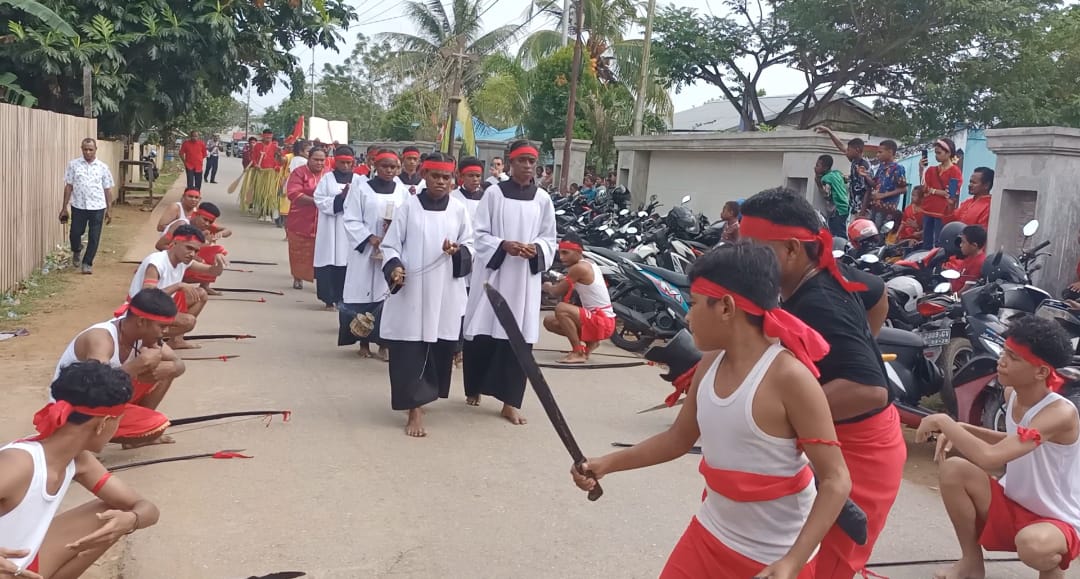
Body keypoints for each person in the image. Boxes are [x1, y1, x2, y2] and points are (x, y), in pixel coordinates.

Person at [571, 242, 850, 578]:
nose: (688, 316)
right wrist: (606, 464)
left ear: (727, 308)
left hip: (775, 556)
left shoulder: (789, 378)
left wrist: (792, 561)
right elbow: (678, 438)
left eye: (694, 304)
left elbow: (836, 479)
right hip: (710, 535)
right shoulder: (710, 363)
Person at [739, 187, 906, 578]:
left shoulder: (820, 302)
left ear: (794, 250)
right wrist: (864, 343)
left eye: (755, 249)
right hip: (831, 438)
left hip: (861, 451)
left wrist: (780, 416)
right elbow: (878, 293)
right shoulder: (823, 273)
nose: (745, 260)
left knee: (827, 568)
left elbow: (869, 389)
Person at [918, 315, 1080, 579]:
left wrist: (947, 422)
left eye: (1014, 358)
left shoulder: (1059, 414)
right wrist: (966, 429)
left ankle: (1052, 570)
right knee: (954, 469)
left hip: (1056, 521)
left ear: (1041, 372)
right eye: (1005, 352)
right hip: (1013, 502)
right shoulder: (1013, 393)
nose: (1001, 361)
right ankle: (971, 564)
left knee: (1033, 545)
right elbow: (1013, 443)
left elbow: (991, 458)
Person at [0, 362, 160, 578]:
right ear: (103, 423)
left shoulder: (78, 460)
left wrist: (131, 520)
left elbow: (146, 508)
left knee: (112, 516)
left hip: (20, 559)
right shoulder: (18, 463)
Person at [379, 152, 474, 437]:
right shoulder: (409, 208)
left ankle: (425, 396)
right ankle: (414, 409)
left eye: (446, 177)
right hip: (413, 292)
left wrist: (458, 251)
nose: (441, 182)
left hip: (444, 291)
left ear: (452, 180)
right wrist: (395, 267)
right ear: (424, 175)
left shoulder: (459, 210)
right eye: (435, 176)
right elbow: (391, 245)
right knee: (410, 349)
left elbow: (470, 245)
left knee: (437, 349)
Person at [462, 140, 557, 423]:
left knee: (518, 337)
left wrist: (536, 249)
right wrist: (503, 245)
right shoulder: (493, 195)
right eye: (522, 160)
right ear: (510, 162)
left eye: (532, 161)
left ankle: (509, 402)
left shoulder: (543, 199)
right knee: (483, 330)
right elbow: (478, 233)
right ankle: (475, 388)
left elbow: (549, 237)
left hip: (523, 279)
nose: (528, 166)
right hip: (495, 272)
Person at [54, 288, 185, 447]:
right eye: (162, 326)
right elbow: (95, 389)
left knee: (164, 369)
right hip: (74, 408)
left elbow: (179, 363)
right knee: (155, 423)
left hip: (99, 401)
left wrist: (171, 368)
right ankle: (81, 446)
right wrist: (138, 365)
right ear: (141, 322)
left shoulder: (143, 335)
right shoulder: (101, 339)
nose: (166, 332)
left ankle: (133, 437)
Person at [339, 149, 409, 359]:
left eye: (394, 166)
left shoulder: (403, 192)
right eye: (384, 166)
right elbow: (351, 218)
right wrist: (370, 238)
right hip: (366, 251)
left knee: (387, 294)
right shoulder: (361, 189)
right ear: (374, 166)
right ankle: (363, 342)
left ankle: (385, 342)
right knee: (363, 292)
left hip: (391, 251)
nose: (389, 170)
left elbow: (407, 220)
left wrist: (392, 239)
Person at [127, 224, 223, 350]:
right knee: (188, 322)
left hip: (161, 304)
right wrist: (178, 286)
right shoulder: (156, 263)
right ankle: (145, 337)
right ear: (175, 242)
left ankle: (175, 340)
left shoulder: (183, 260)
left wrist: (219, 263)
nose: (192, 254)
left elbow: (212, 271)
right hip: (141, 311)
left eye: (196, 251)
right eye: (189, 248)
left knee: (201, 294)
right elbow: (147, 297)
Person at [541, 231, 616, 363]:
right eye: (560, 253)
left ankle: (578, 352)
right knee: (549, 322)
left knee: (561, 308)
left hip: (602, 323)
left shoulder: (579, 268)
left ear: (578, 251)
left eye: (566, 253)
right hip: (603, 321)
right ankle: (591, 343)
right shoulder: (588, 263)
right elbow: (573, 283)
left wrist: (547, 286)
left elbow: (556, 292)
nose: (562, 257)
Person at [313, 146, 364, 309]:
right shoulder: (327, 179)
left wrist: (351, 199)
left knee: (347, 262)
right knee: (329, 261)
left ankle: (344, 298)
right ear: (335, 161)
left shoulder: (360, 180)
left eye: (349, 163)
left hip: (350, 228)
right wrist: (341, 197)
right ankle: (328, 298)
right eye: (342, 162)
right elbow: (319, 199)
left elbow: (365, 203)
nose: (346, 166)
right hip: (330, 227)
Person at [61, 138, 115, 275]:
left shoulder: (103, 167)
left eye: (91, 149)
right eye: (85, 149)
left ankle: (87, 263)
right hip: (78, 206)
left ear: (96, 150)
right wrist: (64, 207)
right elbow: (69, 186)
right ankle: (77, 249)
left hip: (97, 207)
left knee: (94, 236)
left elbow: (107, 189)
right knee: (75, 233)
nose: (88, 152)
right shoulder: (73, 165)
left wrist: (109, 209)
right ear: (81, 149)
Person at [163, 202, 231, 296]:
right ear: (197, 214)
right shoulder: (181, 224)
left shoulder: (205, 224)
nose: (207, 224)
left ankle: (204, 286)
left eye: (210, 222)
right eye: (205, 220)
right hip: (172, 260)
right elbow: (159, 245)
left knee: (217, 250)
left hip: (187, 259)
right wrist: (192, 256)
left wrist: (221, 234)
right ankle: (176, 283)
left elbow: (228, 231)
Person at [286, 147, 328, 290]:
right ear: (308, 159)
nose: (319, 163)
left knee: (321, 251)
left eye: (322, 160)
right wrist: (318, 201)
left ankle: (321, 280)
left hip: (324, 221)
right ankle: (298, 277)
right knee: (299, 250)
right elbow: (293, 193)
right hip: (301, 219)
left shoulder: (329, 174)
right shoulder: (299, 172)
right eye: (315, 159)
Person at [816, 126, 870, 218]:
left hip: (862, 208)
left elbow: (868, 189)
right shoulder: (854, 161)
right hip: (854, 206)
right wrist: (829, 132)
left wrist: (862, 212)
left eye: (849, 150)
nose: (846, 152)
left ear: (857, 150)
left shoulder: (863, 166)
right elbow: (841, 146)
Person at [919, 137, 964, 250]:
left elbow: (951, 193)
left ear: (948, 153)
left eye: (939, 153)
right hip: (928, 209)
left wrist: (933, 191)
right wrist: (921, 169)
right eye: (935, 153)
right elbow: (924, 188)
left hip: (942, 211)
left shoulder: (955, 171)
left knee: (940, 242)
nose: (936, 155)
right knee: (927, 241)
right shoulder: (931, 170)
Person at [864, 139, 907, 228]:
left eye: (880, 152)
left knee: (880, 235)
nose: (878, 155)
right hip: (875, 207)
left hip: (887, 210)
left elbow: (903, 189)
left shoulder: (897, 168)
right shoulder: (881, 167)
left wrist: (884, 195)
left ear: (890, 152)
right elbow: (875, 184)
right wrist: (865, 176)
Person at [247, 129, 282, 220]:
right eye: (267, 137)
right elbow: (253, 158)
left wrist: (277, 166)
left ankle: (269, 213)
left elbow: (279, 160)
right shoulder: (257, 146)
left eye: (270, 137)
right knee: (261, 194)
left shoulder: (275, 147)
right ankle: (262, 212)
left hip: (271, 173)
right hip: (260, 173)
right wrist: (256, 165)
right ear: (263, 136)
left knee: (270, 194)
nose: (268, 139)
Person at [946, 167, 993, 231]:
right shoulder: (967, 202)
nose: (970, 185)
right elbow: (951, 224)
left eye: (974, 183)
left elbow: (981, 233)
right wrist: (951, 206)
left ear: (986, 185)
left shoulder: (989, 205)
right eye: (970, 182)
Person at [814, 154, 849, 239]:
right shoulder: (837, 173)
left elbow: (827, 195)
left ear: (825, 168)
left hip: (837, 209)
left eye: (817, 165)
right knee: (843, 230)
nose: (815, 167)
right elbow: (845, 179)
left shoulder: (825, 179)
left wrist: (818, 181)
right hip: (846, 206)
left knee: (837, 233)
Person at [945, 225, 987, 293]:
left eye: (963, 242)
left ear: (974, 245)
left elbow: (967, 288)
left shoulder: (979, 262)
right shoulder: (969, 257)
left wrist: (952, 298)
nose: (961, 245)